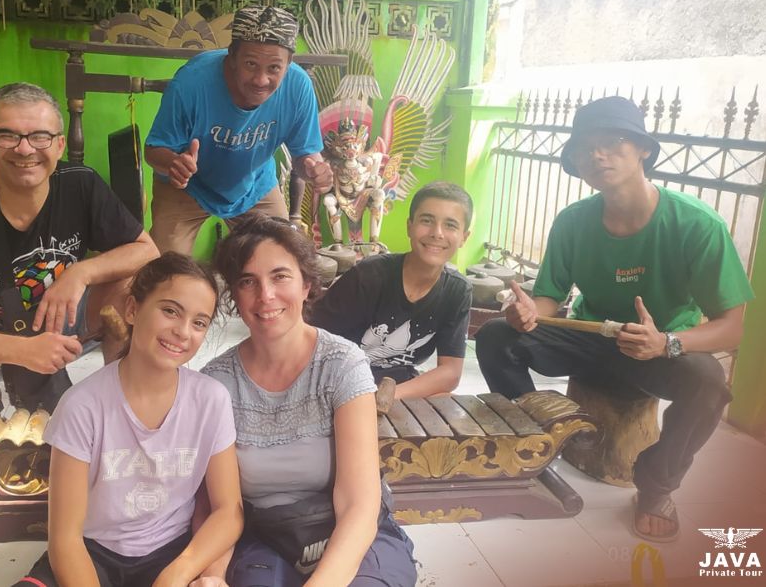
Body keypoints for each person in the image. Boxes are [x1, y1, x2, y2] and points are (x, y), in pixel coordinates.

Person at [474, 96, 754, 543]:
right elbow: (549, 298)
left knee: (709, 385)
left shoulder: (696, 225)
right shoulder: (573, 222)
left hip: (658, 349)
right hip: (590, 339)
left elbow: (732, 325)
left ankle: (658, 484)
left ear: (643, 149)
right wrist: (529, 313)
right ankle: (540, 441)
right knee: (494, 336)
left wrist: (668, 342)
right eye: (586, 147)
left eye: (612, 141)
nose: (597, 154)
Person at [0, 82, 159, 415]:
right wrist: (19, 351)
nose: (25, 150)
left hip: (59, 316)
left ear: (60, 144)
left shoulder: (81, 184)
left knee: (139, 293)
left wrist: (81, 273)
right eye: (8, 136)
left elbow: (146, 251)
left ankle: (120, 404)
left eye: (40, 137)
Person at [201, 215, 417, 587]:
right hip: (264, 537)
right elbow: (221, 506)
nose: (265, 295)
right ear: (234, 296)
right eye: (247, 281)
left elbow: (358, 502)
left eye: (280, 276)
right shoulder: (216, 382)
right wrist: (212, 575)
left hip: (350, 531)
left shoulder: (341, 364)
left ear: (306, 284)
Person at [13, 252, 243, 587]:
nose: (182, 332)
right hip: (91, 553)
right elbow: (65, 539)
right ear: (133, 309)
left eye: (199, 322)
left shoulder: (211, 400)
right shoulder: (83, 406)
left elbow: (229, 511)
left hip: (172, 552)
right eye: (170, 311)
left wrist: (177, 574)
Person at [144, 5, 333, 256]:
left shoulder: (298, 87)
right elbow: (153, 150)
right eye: (250, 63)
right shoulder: (191, 83)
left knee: (277, 258)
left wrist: (312, 168)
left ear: (289, 64)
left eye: (274, 68)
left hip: (253, 185)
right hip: (187, 185)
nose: (261, 79)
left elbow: (305, 156)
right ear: (231, 56)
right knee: (165, 272)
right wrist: (174, 164)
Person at [312, 182, 473, 403]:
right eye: (427, 221)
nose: (437, 233)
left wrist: (390, 395)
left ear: (464, 237)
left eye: (450, 225)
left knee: (448, 402)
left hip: (394, 386)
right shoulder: (369, 276)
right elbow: (310, 342)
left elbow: (450, 372)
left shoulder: (457, 290)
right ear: (409, 226)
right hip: (336, 379)